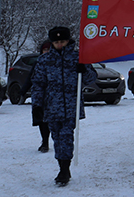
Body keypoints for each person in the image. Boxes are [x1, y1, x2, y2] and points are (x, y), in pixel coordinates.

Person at [30, 26, 97, 187]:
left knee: (66, 136)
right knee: (57, 138)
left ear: (68, 41)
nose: (60, 44)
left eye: (63, 41)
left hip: (71, 106)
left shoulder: (78, 58)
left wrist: (84, 69)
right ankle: (62, 165)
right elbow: (38, 84)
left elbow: (91, 78)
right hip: (51, 106)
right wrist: (37, 105)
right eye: (57, 42)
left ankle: (64, 170)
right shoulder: (44, 60)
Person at [21, 40, 52, 153]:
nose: (47, 52)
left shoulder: (56, 63)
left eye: (49, 49)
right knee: (41, 120)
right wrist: (23, 90)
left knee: (52, 120)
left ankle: (57, 141)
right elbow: (30, 77)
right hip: (39, 97)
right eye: (45, 50)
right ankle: (44, 142)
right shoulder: (38, 63)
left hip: (53, 97)